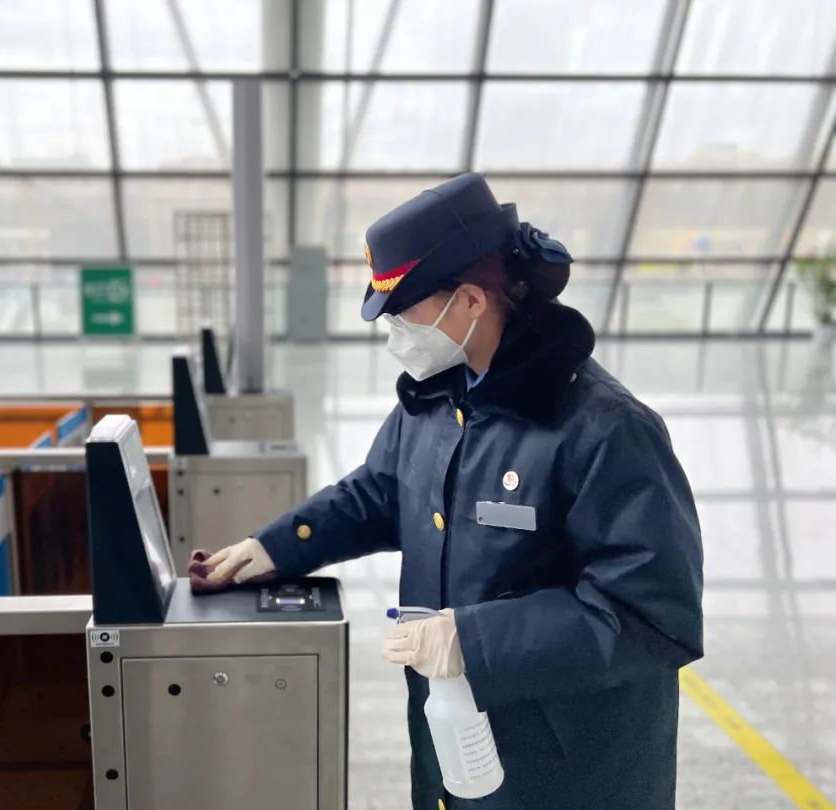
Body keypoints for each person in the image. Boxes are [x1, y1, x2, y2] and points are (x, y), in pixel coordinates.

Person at [204, 173, 704, 809]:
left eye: (404, 314)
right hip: (454, 751)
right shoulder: (441, 395)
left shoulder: (605, 429)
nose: (395, 333)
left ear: (469, 301)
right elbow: (381, 491)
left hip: (563, 774)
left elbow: (651, 616)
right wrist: (276, 547)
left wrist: (474, 639)